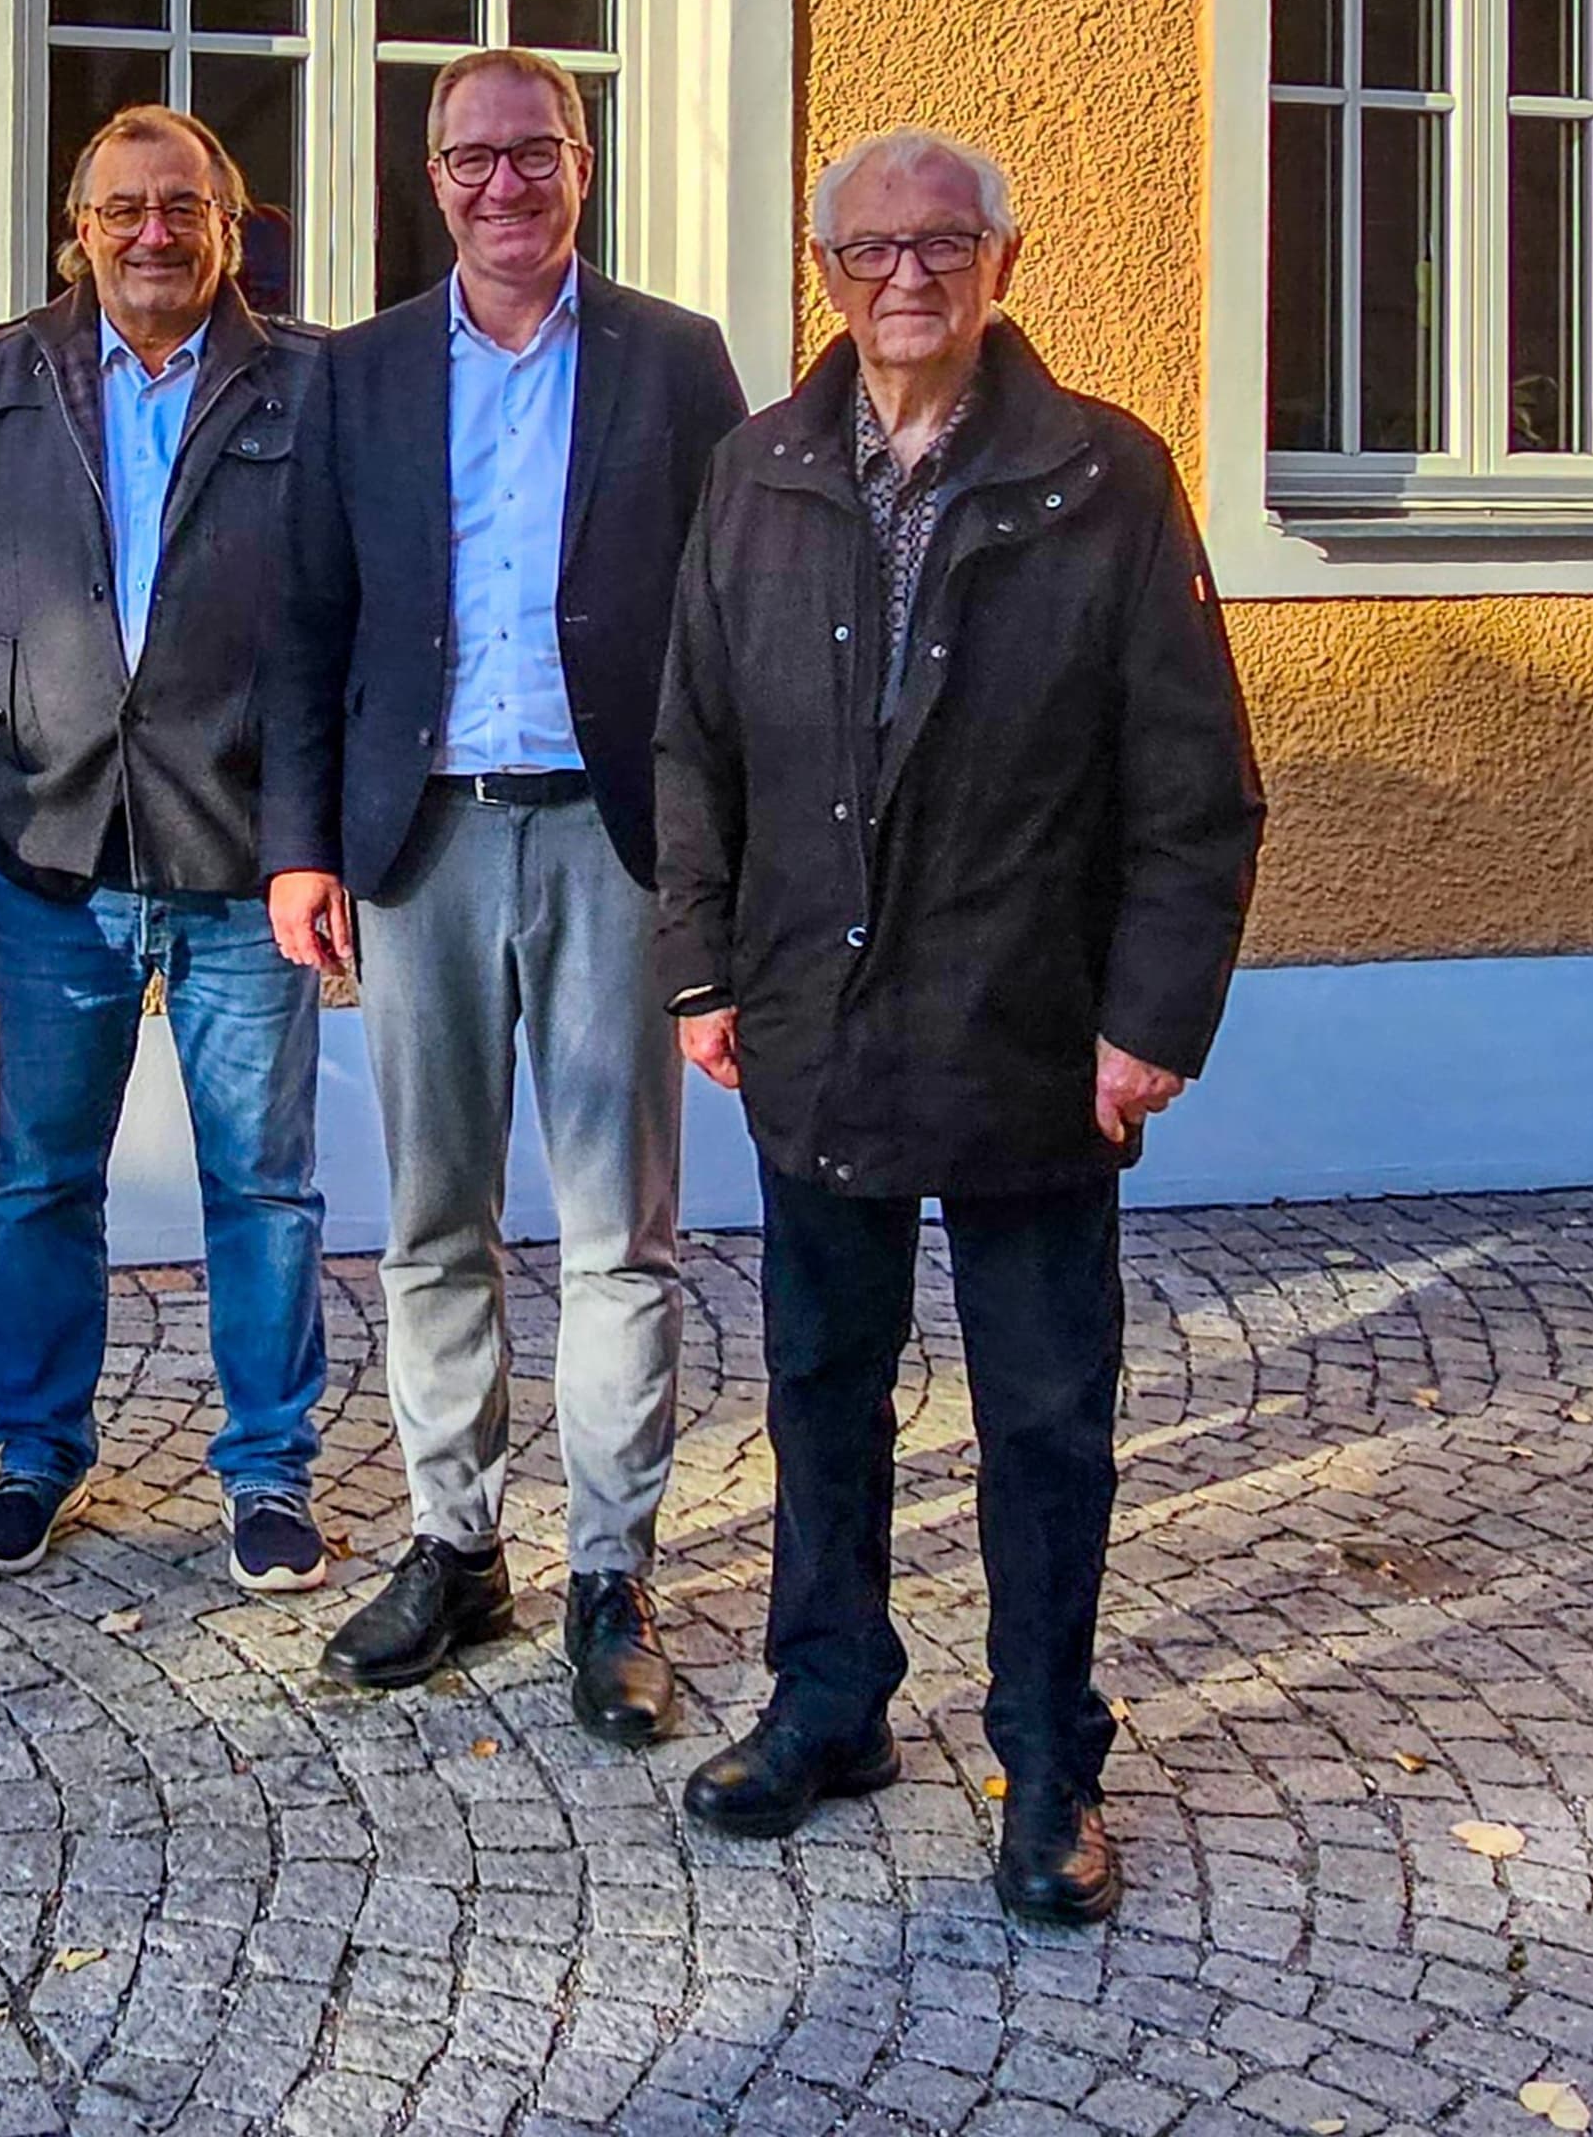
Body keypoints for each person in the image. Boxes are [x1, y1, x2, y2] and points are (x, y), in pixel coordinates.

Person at [654, 127, 1263, 1923]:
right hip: (814, 1012)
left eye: (941, 245)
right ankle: (828, 1702)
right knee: (821, 1385)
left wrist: (1150, 1020)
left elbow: (1195, 787)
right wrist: (703, 968)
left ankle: (1049, 1762)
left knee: (1046, 1418)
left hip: (1031, 1024)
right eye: (870, 249)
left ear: (1006, 260)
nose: (904, 277)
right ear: (824, 272)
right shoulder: (758, 470)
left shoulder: (1103, 474)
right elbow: (694, 741)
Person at [264, 48, 746, 1746]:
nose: (503, 184)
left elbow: (732, 616)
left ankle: (612, 1575)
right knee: (431, 1222)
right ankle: (456, 1547)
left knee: (620, 1230)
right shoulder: (364, 370)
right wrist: (300, 844)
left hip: (616, 837)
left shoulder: (675, 361)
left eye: (533, 152)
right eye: (472, 158)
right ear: (433, 178)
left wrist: (721, 861)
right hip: (425, 841)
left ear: (583, 164)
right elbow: (305, 620)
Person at [0, 105, 336, 1590]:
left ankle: (269, 1470)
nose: (150, 234)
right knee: (42, 1177)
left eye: (181, 207)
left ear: (231, 224)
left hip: (245, 855)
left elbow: (338, 625)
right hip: (52, 846)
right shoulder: (1, 376)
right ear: (77, 230)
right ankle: (35, 1456)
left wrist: (314, 835)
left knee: (264, 1185)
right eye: (120, 210)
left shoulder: (312, 383)